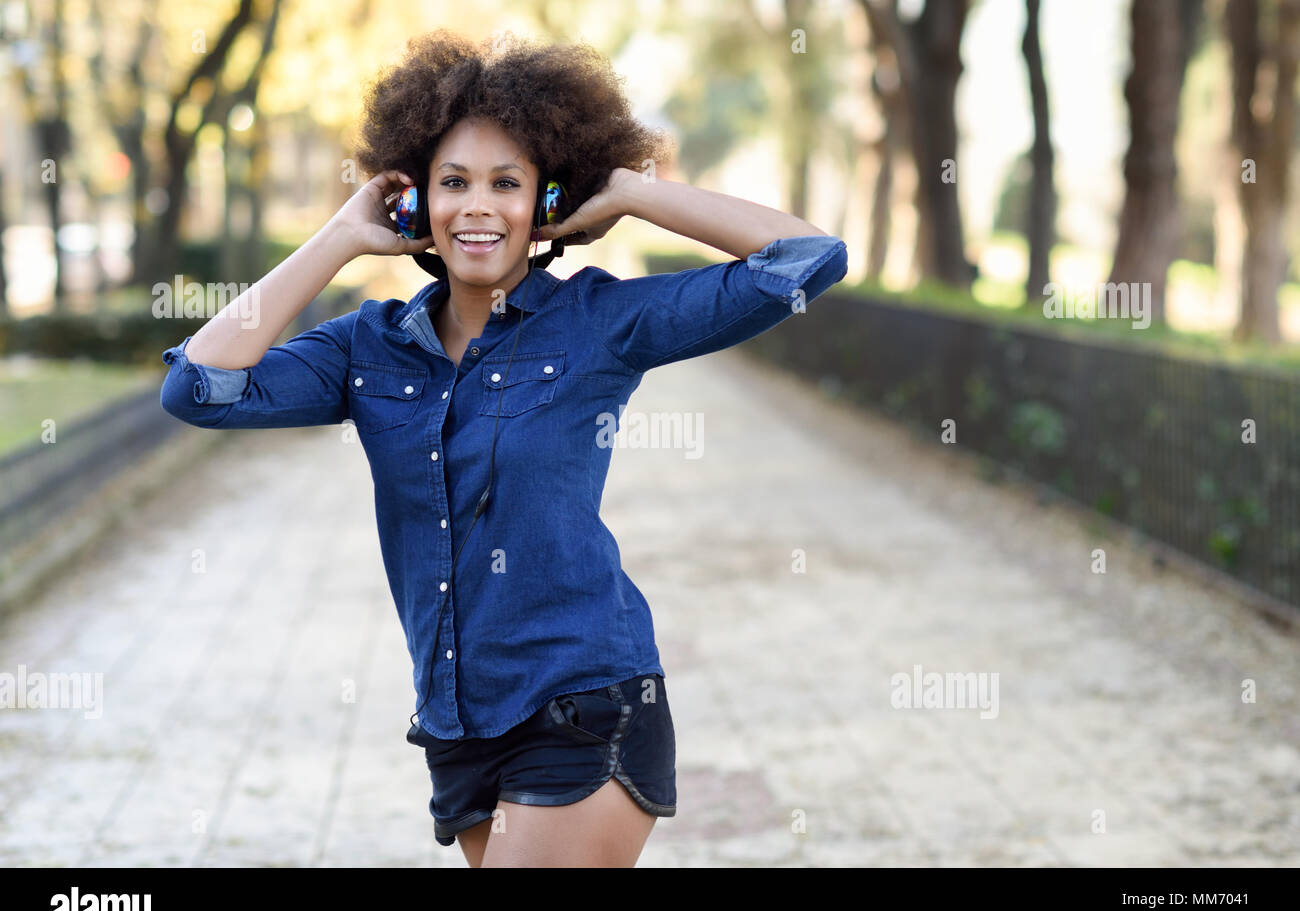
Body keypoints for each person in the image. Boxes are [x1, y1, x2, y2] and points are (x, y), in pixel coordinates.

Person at [159, 28, 848, 867]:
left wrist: (630, 189)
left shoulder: (598, 321)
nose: (477, 206)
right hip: (456, 721)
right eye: (453, 182)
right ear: (414, 201)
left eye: (506, 183)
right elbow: (198, 387)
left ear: (545, 203)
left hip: (581, 704)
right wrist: (341, 236)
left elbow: (807, 262)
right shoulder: (363, 349)